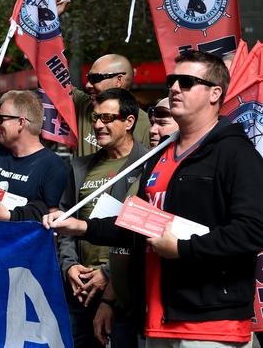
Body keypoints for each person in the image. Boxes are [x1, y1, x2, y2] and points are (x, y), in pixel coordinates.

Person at [45, 50, 263, 347]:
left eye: (186, 82)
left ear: (215, 93)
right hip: (156, 320)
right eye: (172, 80)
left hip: (210, 325)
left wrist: (183, 249)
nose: (173, 88)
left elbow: (253, 231)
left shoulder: (236, 153)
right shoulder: (159, 157)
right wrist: (82, 228)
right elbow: (140, 225)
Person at [56, 88, 146, 348]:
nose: (97, 125)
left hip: (123, 293)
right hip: (80, 291)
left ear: (129, 122)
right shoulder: (79, 167)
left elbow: (140, 231)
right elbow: (66, 221)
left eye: (106, 118)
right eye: (96, 118)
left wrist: (108, 274)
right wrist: (70, 266)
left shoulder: (149, 165)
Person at [75, 54, 151, 157]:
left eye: (95, 78)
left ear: (118, 80)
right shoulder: (84, 105)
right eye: (88, 78)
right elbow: (52, 79)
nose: (88, 85)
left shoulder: (147, 127)